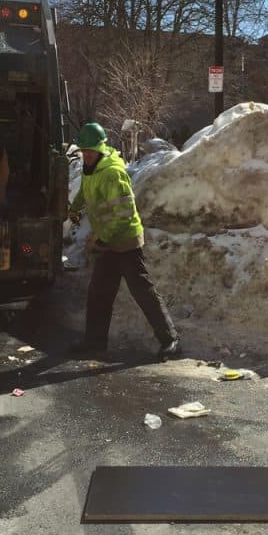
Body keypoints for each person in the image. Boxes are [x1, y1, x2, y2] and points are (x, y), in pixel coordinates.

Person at [68, 122, 180, 360]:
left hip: (126, 241)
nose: (86, 156)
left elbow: (124, 214)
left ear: (100, 150)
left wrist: (102, 238)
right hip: (108, 242)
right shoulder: (91, 170)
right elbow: (84, 193)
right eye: (84, 152)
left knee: (143, 292)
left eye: (90, 152)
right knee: (99, 293)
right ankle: (95, 342)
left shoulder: (112, 173)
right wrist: (74, 209)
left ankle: (171, 341)